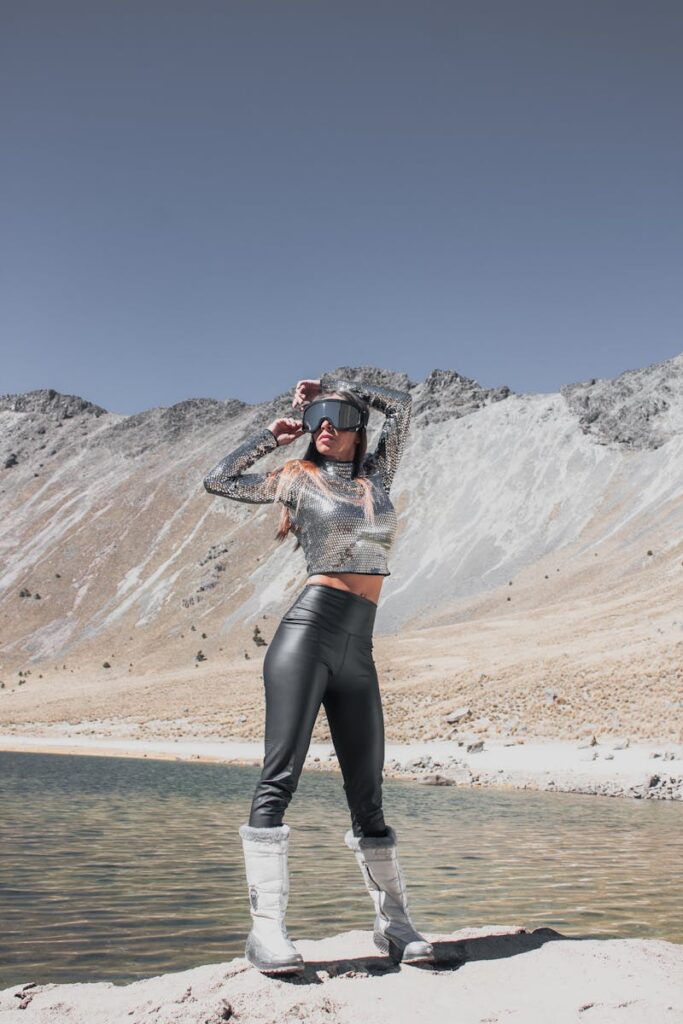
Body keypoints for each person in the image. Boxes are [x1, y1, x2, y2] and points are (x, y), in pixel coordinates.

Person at [204, 372, 434, 975]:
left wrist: (338, 383)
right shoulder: (296, 478)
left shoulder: (376, 478)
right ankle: (267, 933)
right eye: (316, 419)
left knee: (369, 792)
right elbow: (218, 480)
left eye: (336, 416)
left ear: (358, 424)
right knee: (279, 779)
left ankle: (395, 926)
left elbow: (405, 406)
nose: (323, 426)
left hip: (359, 645)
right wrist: (272, 435)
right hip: (307, 634)